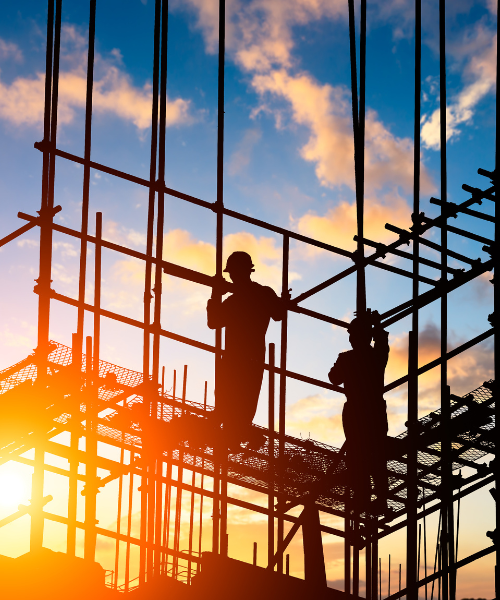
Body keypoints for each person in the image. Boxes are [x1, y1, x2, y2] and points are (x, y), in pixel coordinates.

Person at [207, 251, 286, 449]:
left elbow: (213, 321)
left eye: (233, 273)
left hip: (237, 359)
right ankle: (233, 435)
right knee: (240, 401)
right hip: (251, 358)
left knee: (232, 401)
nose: (232, 277)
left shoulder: (236, 300)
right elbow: (278, 314)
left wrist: (215, 293)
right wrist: (281, 301)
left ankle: (231, 437)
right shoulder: (262, 294)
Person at [328, 310, 389, 512]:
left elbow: (334, 377)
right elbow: (382, 342)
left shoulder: (347, 359)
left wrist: (375, 325)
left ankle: (364, 499)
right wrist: (376, 324)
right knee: (375, 455)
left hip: (356, 410)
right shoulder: (376, 356)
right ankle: (378, 500)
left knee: (359, 456)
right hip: (373, 409)